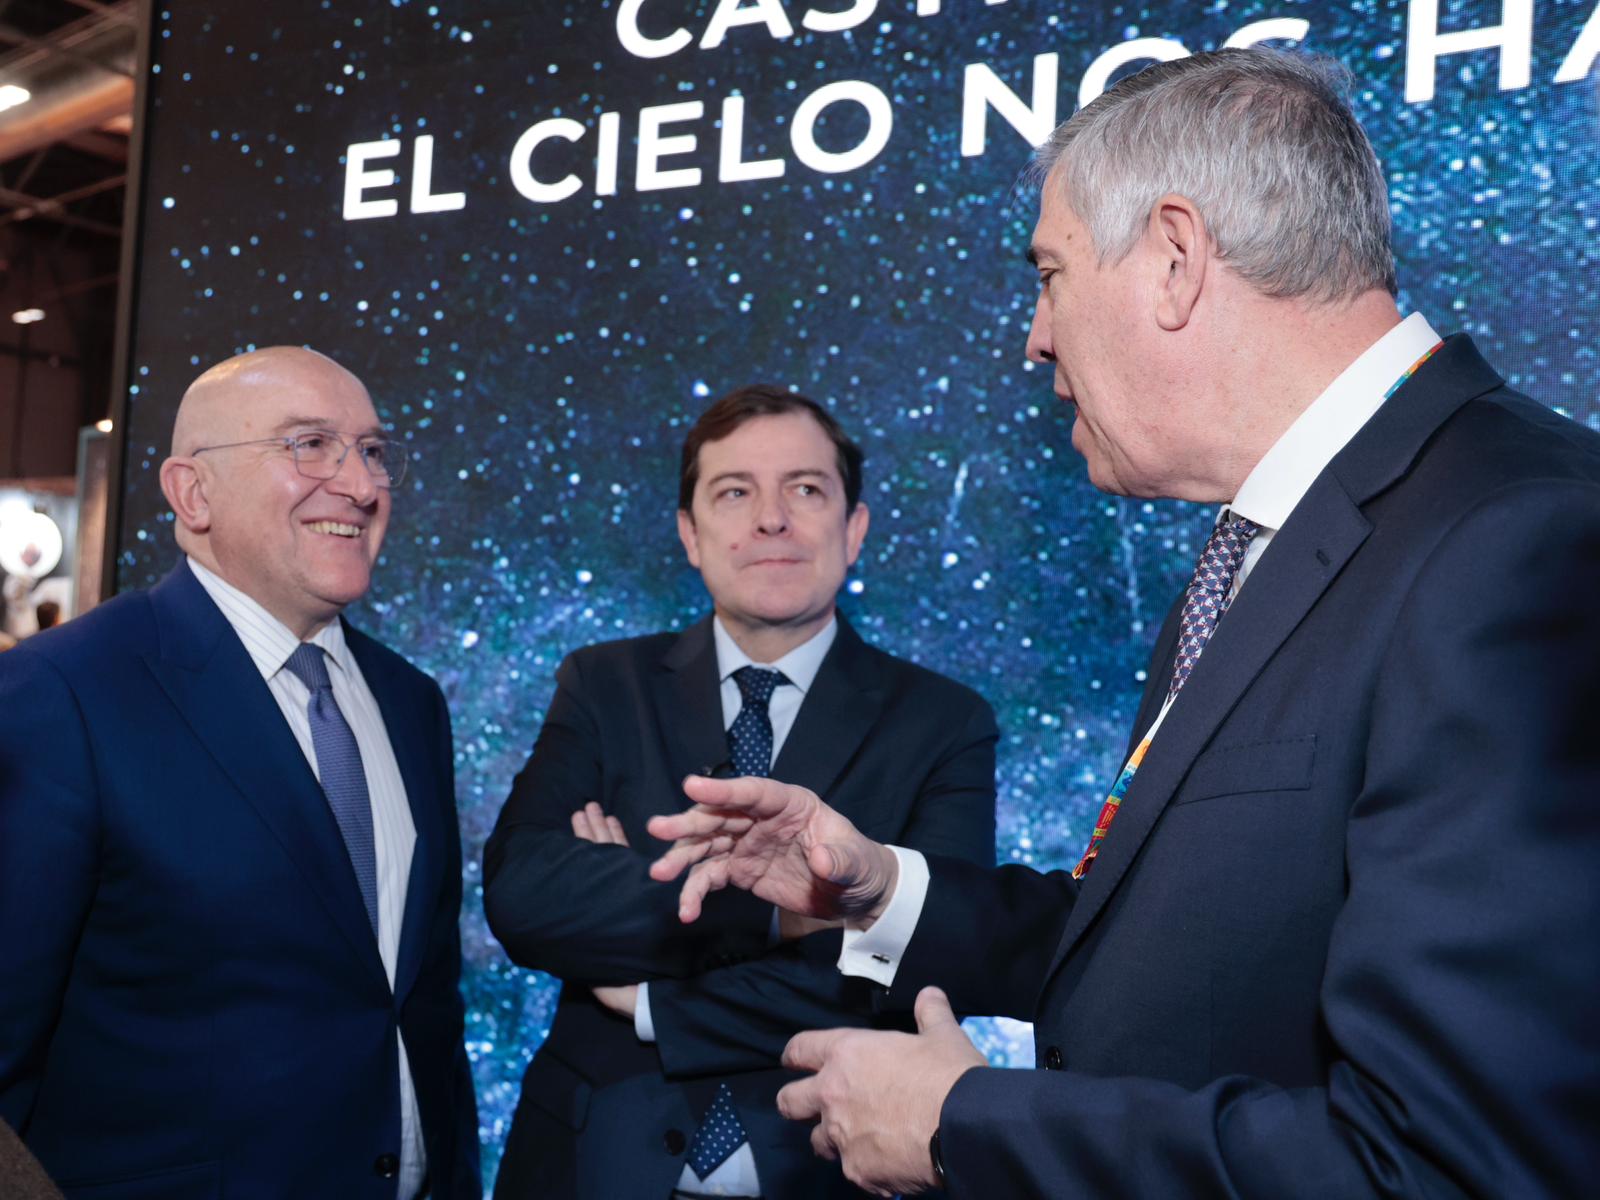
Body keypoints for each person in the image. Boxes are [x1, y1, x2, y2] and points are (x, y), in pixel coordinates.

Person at [647, 49, 1600, 1197]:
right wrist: (879, 890)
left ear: (1174, 259)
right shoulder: (1268, 550)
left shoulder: (1515, 539)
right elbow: (1174, 939)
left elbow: (1447, 1165)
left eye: (1049, 274)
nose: (1034, 336)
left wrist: (963, 1125)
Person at [483, 385, 997, 1197]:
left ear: (854, 529)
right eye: (734, 492)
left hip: (824, 1171)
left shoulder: (945, 722)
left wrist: (648, 993)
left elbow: (924, 966)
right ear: (690, 535)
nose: (771, 520)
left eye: (805, 489)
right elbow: (523, 896)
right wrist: (793, 914)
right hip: (592, 1164)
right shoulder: (602, 685)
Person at [0, 347, 480, 1198]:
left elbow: (424, 1004)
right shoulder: (61, 693)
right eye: (310, 445)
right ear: (193, 493)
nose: (360, 485)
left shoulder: (412, 703)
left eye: (372, 451)